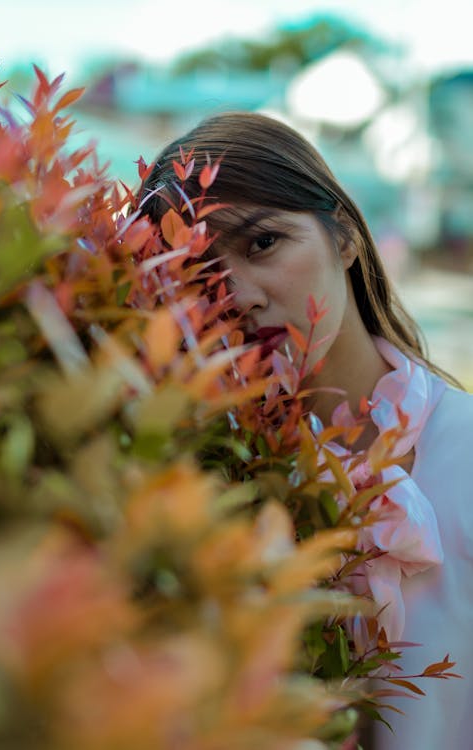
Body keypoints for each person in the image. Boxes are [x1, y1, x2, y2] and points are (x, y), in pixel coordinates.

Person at [140, 111, 473, 749]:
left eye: (262, 243)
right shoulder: (198, 479)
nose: (236, 293)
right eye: (198, 271)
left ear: (344, 237)